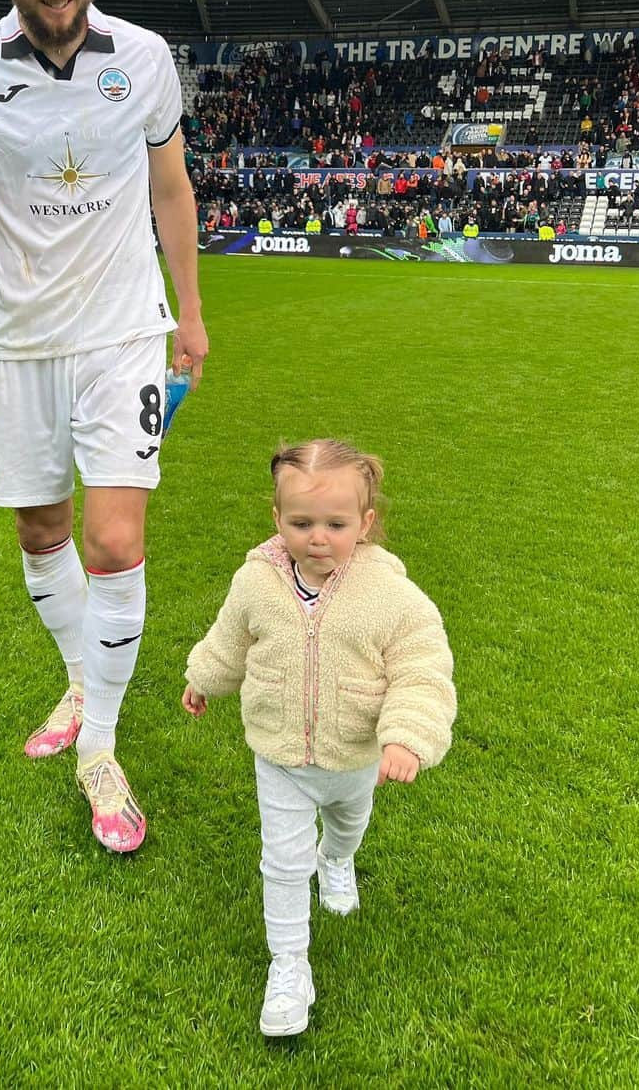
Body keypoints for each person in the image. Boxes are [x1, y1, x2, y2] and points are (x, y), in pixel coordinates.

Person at [0, 0, 208, 855]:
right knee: (41, 534)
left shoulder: (147, 58)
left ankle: (103, 750)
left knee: (115, 542)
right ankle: (81, 679)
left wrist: (191, 316)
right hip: (24, 346)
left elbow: (173, 193)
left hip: (125, 329)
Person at [182, 440, 456, 1037]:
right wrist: (202, 678)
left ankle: (337, 860)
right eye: (301, 523)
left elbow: (422, 667)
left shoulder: (390, 597)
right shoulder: (257, 583)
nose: (318, 538)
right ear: (277, 519)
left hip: (355, 758)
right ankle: (289, 968)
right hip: (279, 756)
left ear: (365, 523)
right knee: (282, 862)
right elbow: (230, 641)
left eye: (336, 524)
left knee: (348, 823)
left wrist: (407, 736)